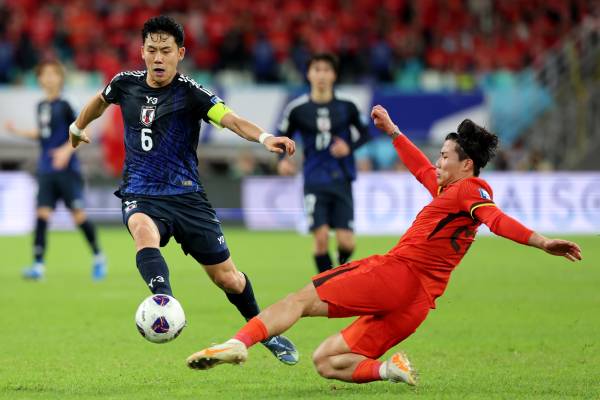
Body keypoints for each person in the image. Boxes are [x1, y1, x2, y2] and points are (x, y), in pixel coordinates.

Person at [185, 105, 582, 385]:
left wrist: (542, 241)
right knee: (327, 361)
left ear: (466, 164)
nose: (437, 162)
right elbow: (421, 168)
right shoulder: (451, 192)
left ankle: (238, 343)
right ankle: (390, 370)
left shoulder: (470, 190)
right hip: (417, 304)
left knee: (299, 300)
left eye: (445, 156)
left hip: (395, 275)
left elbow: (496, 219)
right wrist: (393, 131)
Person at [67, 16, 298, 365]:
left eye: (166, 50)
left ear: (180, 53)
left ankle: (266, 332)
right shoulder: (124, 84)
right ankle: (164, 302)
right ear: (142, 52)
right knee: (142, 230)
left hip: (187, 197)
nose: (158, 58)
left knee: (229, 280)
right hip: (141, 191)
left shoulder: (192, 93)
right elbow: (99, 101)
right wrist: (77, 126)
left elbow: (231, 120)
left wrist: (265, 138)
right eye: (152, 50)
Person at [4, 60, 106, 281]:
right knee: (42, 215)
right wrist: (18, 132)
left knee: (78, 215)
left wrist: (65, 152)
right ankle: (38, 265)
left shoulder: (66, 104)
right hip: (46, 169)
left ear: (60, 78)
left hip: (67, 170)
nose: (48, 78)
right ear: (39, 79)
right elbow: (44, 134)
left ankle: (98, 256)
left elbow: (83, 129)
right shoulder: (41, 106)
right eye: (44, 74)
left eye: (53, 74)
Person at [276, 53, 370, 273]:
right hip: (314, 179)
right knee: (320, 239)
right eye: (317, 70)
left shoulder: (347, 106)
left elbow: (366, 133)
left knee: (347, 243)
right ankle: (329, 283)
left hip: (342, 178)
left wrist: (349, 147)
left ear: (334, 75)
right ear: (309, 74)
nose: (321, 75)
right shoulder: (297, 109)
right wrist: (282, 161)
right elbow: (281, 137)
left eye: (326, 70)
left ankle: (338, 265)